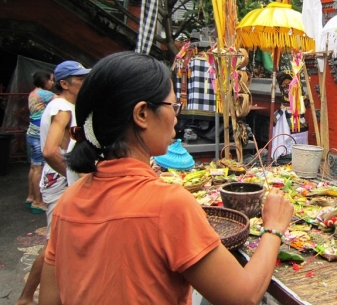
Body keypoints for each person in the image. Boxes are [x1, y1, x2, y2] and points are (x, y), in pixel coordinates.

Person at [39, 52, 293, 305]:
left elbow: (49, 299)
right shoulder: (167, 204)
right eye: (173, 106)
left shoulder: (69, 200)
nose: (176, 116)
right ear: (142, 114)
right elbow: (243, 296)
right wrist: (274, 228)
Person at [15, 61, 89, 305]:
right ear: (64, 84)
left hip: (59, 178)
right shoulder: (63, 109)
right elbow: (49, 151)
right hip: (59, 180)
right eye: (80, 79)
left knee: (61, 243)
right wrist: (72, 176)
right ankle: (26, 298)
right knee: (54, 245)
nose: (85, 82)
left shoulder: (67, 105)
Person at [25, 70, 55, 213]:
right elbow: (65, 99)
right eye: (50, 80)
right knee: (39, 168)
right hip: (38, 134)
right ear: (44, 81)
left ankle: (31, 197)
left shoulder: (33, 92)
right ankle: (38, 202)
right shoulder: (45, 94)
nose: (52, 83)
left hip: (31, 132)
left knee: (33, 167)